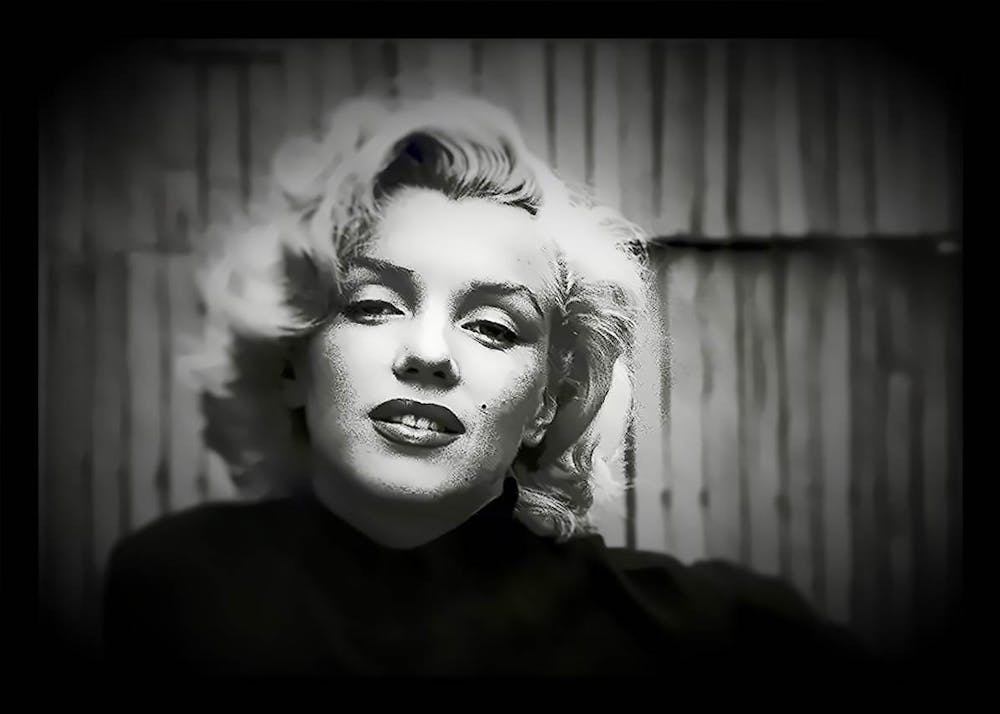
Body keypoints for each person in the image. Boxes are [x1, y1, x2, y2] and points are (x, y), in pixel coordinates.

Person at [102, 93, 869, 677]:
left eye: (494, 327)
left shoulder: (703, 636)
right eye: (373, 306)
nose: (429, 354)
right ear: (291, 360)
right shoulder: (173, 588)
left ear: (549, 403)